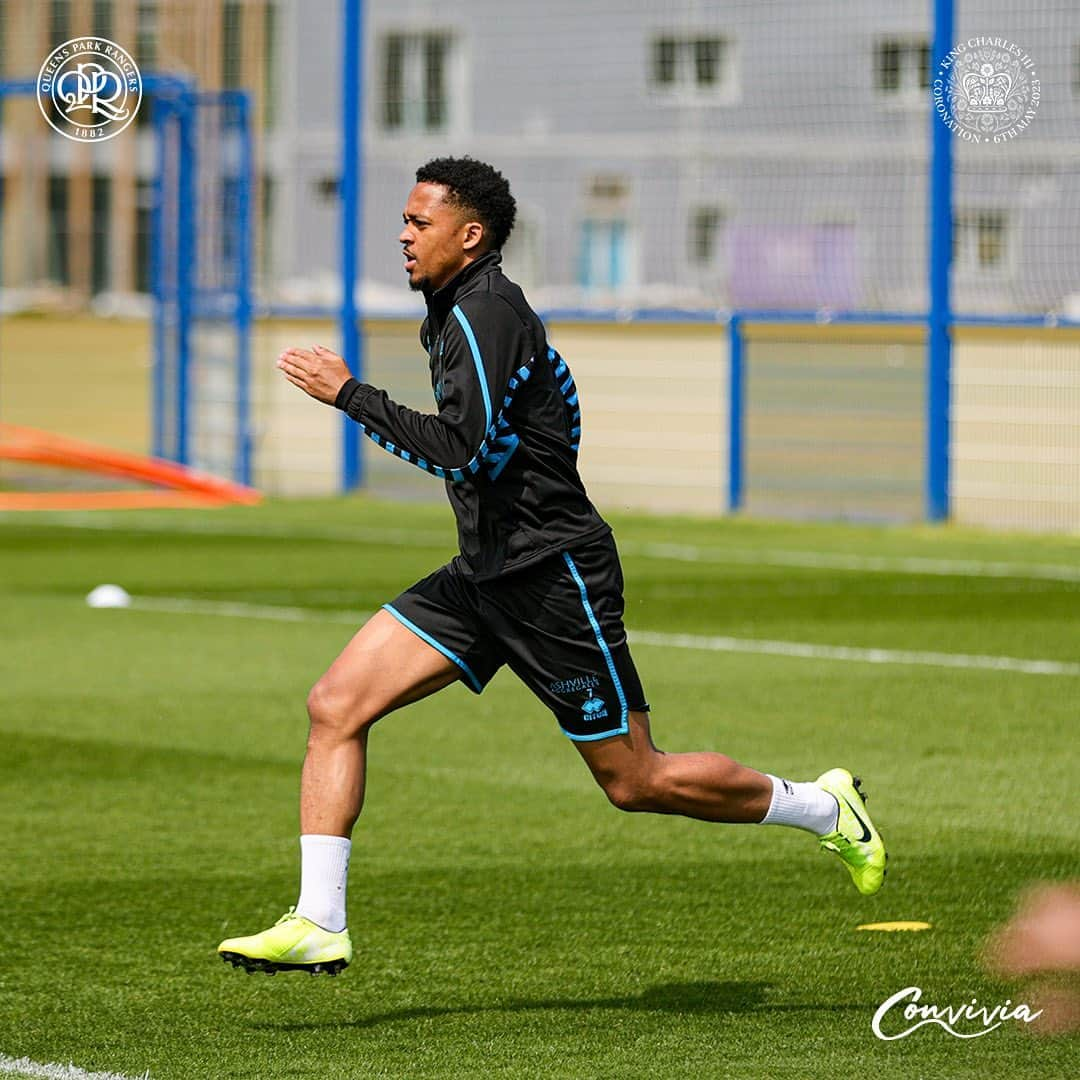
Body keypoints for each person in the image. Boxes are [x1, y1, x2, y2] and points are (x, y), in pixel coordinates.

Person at [218, 157, 887, 976]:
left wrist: (350, 394)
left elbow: (462, 452)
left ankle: (823, 808)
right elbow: (526, 427)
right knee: (335, 705)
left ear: (470, 236)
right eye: (404, 219)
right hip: (486, 572)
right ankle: (320, 920)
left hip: (551, 577)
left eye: (418, 223)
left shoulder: (485, 312)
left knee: (635, 780)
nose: (402, 234)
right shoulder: (457, 308)